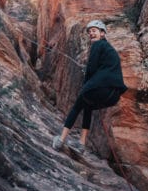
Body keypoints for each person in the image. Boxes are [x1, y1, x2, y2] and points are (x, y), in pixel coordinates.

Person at [52, 20, 127, 154]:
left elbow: (91, 68)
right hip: (113, 94)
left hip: (100, 86)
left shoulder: (97, 45)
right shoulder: (109, 49)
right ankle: (82, 143)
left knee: (77, 106)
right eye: (90, 32)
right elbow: (104, 67)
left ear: (102, 33)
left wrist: (86, 86)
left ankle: (60, 139)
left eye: (94, 31)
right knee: (87, 107)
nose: (91, 33)